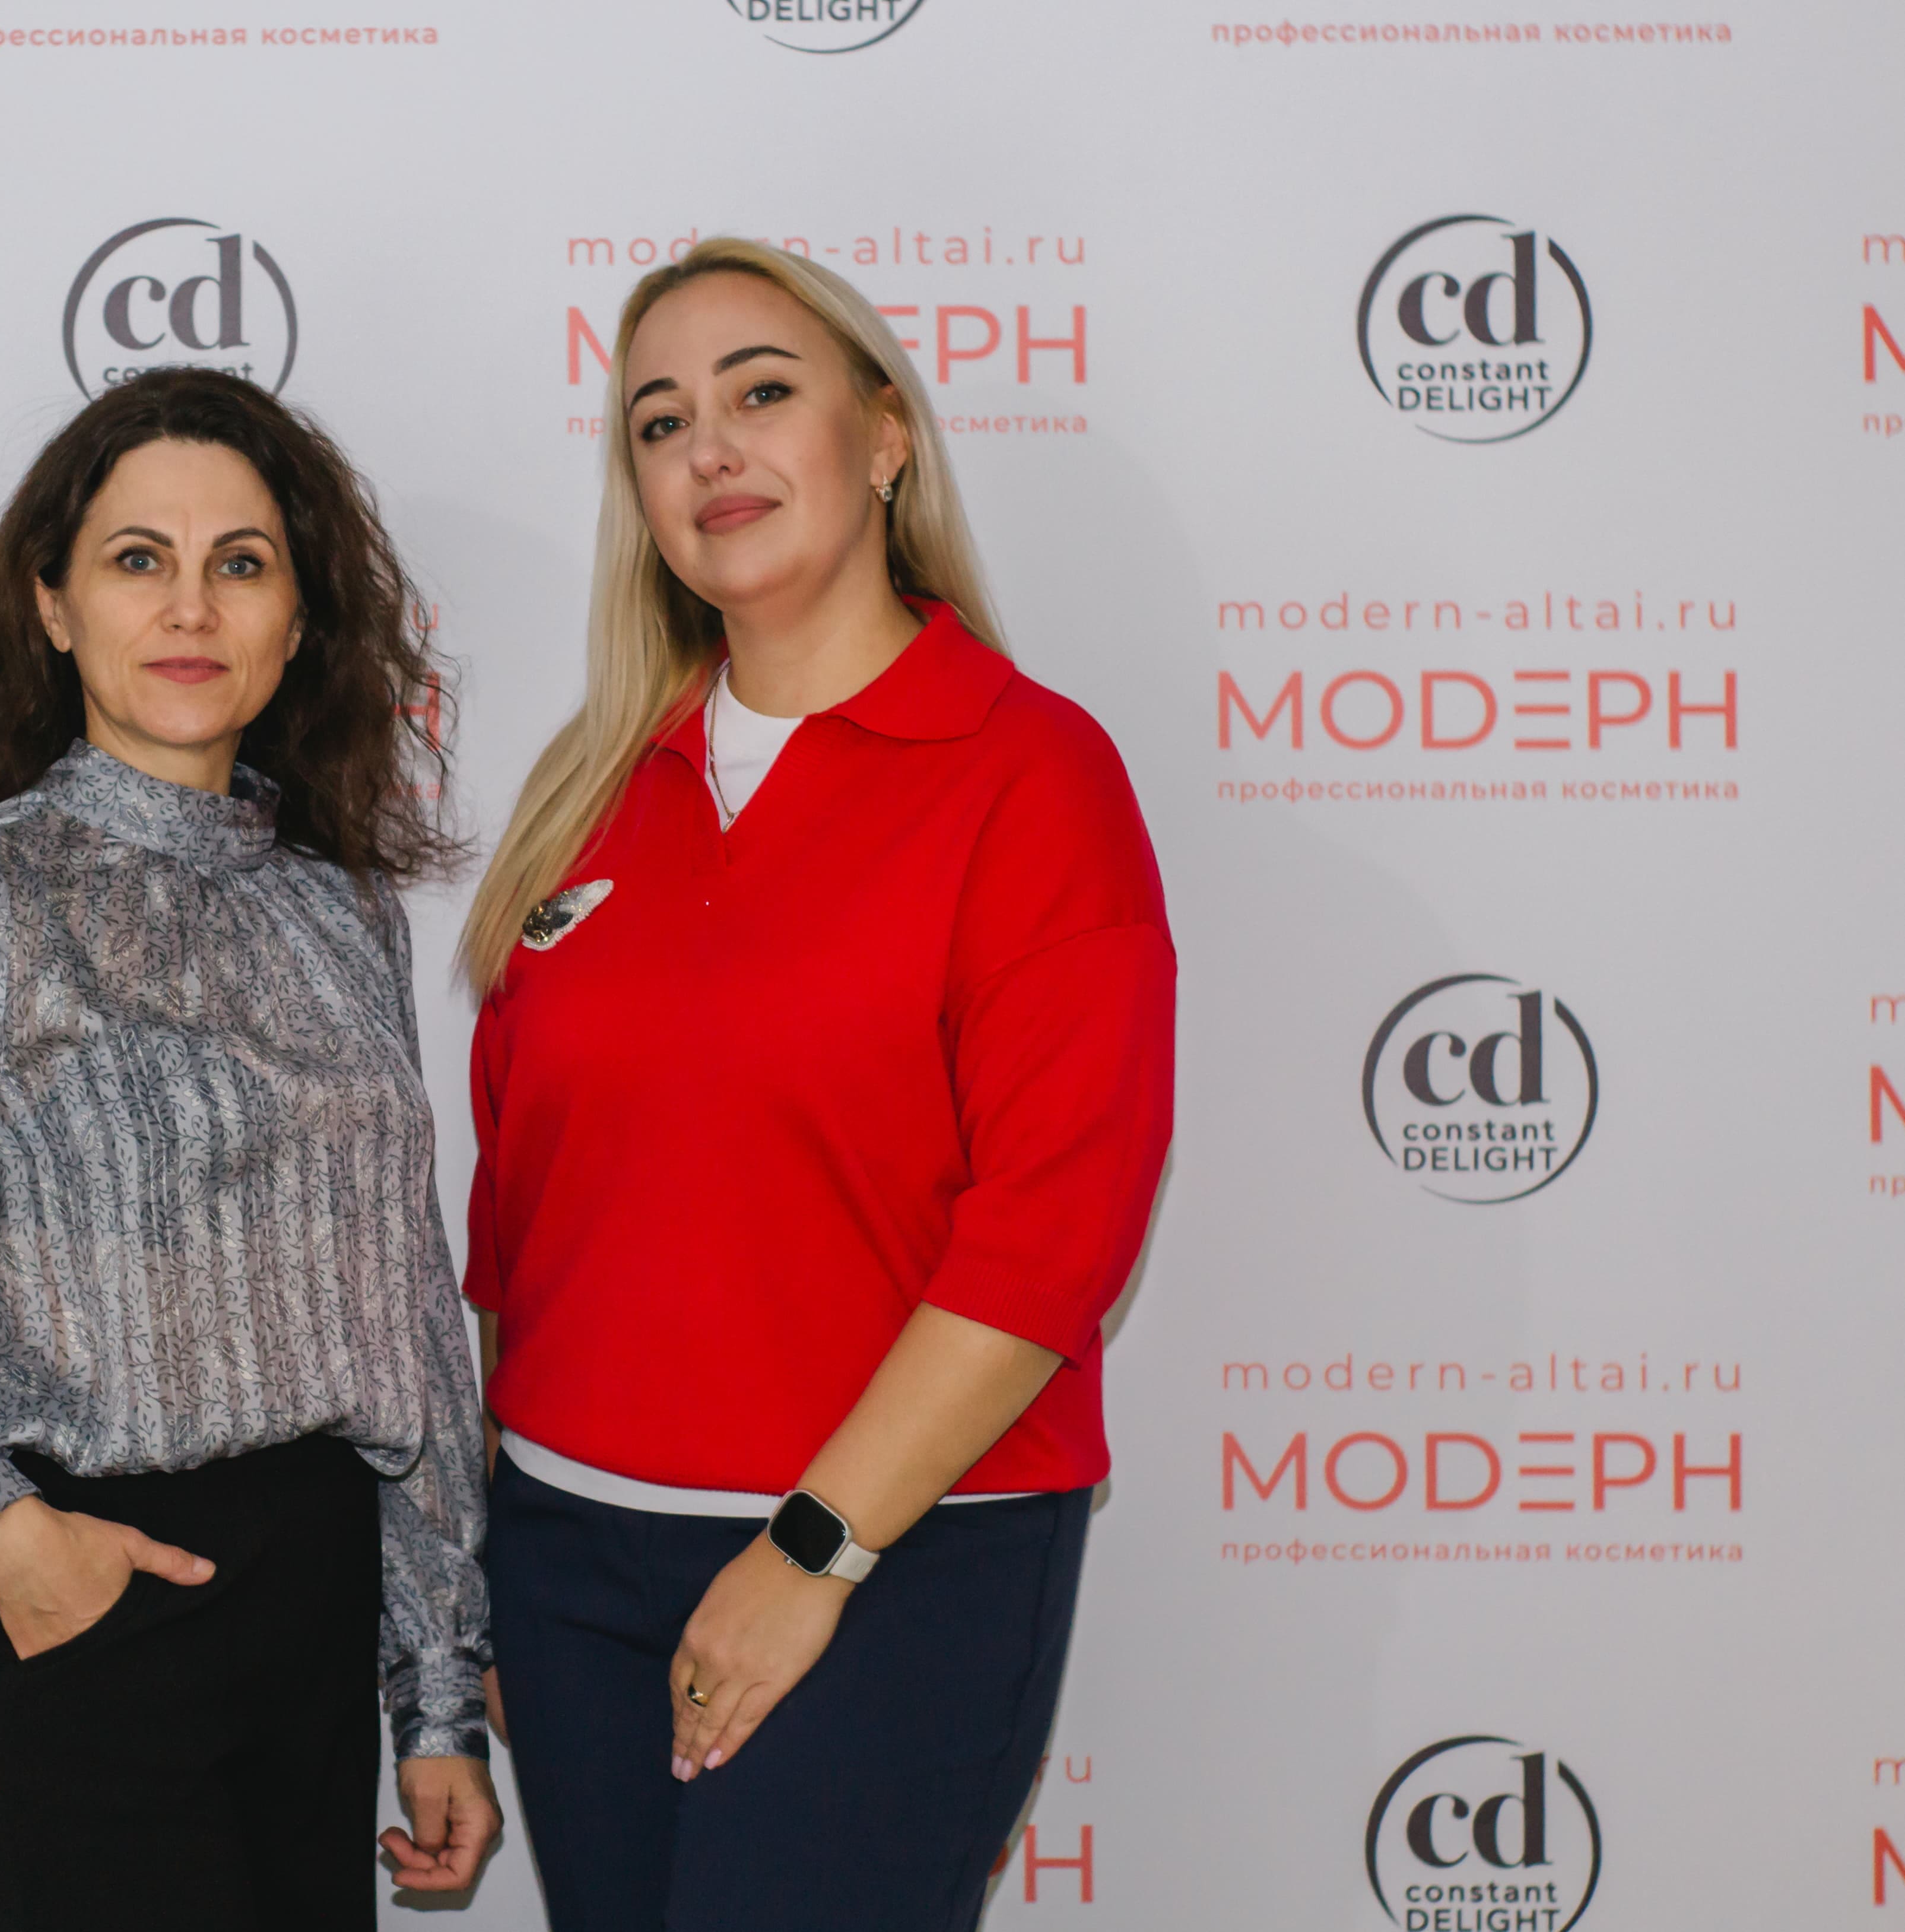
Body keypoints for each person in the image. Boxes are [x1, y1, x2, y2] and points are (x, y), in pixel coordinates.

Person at [0, 367, 499, 1931]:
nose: (190, 606)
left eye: (240, 563)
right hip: (71, 1610)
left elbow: (405, 1322)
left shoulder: (341, 911)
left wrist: (436, 1693)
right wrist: (4, 1533)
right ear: (53, 606)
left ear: (298, 620)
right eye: (139, 558)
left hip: (311, 1610)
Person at [458, 238, 1175, 1930]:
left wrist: (810, 1551)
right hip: (569, 1565)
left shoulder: (1029, 773)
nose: (709, 447)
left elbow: (1053, 1232)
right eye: (659, 422)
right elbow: (519, 1219)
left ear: (884, 437)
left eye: (761, 393)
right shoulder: (589, 788)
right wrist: (502, 1556)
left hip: (889, 1567)